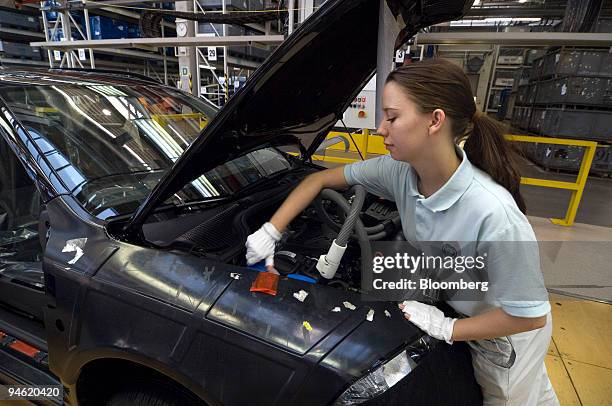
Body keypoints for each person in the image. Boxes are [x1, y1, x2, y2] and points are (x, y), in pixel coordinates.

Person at [245, 59, 558, 405]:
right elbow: (318, 179)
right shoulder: (399, 173)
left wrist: (449, 329)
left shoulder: (493, 214)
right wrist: (271, 230)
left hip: (504, 338)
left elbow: (529, 316)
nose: (381, 129)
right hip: (465, 306)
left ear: (434, 121)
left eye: (392, 117)